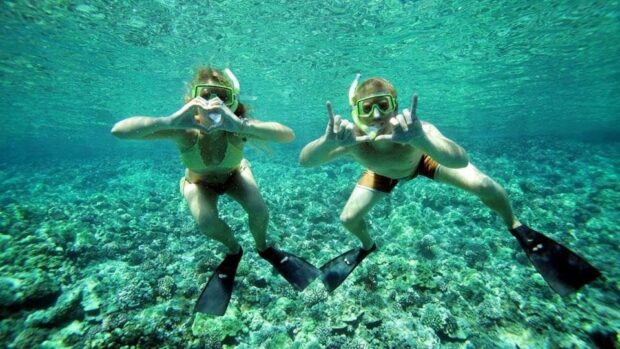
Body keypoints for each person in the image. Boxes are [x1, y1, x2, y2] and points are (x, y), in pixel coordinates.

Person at [299, 74, 601, 296]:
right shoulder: (353, 139)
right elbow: (306, 161)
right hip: (381, 173)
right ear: (358, 113)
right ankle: (367, 246)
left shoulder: (416, 130)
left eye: (383, 105)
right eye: (367, 109)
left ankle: (516, 226)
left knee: (486, 185)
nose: (376, 115)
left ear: (395, 106)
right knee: (348, 219)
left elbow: (459, 159)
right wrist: (326, 142)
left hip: (423, 161)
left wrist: (421, 139)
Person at [111, 67, 319, 316]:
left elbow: (287, 136)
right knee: (207, 222)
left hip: (235, 175)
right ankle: (234, 250)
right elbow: (119, 131)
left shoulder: (237, 127)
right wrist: (169, 121)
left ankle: (263, 248)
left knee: (259, 210)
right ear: (193, 100)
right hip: (198, 183)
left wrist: (241, 125)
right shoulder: (184, 130)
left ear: (232, 101)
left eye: (222, 97)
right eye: (206, 96)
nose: (214, 104)